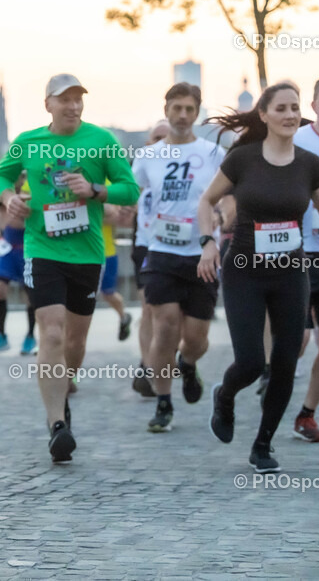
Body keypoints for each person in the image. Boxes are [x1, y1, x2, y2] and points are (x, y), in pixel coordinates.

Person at [0, 73, 139, 463]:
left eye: (78, 99)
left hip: (87, 254)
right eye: (65, 99)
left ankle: (64, 388)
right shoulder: (28, 142)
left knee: (74, 343)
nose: (73, 106)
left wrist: (95, 191)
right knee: (52, 333)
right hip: (42, 249)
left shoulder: (102, 140)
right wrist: (9, 198)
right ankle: (57, 423)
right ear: (48, 105)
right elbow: (1, 174)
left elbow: (129, 188)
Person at [199, 82, 319, 473]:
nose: (290, 115)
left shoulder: (310, 164)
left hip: (291, 274)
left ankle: (263, 444)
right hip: (245, 272)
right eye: (281, 108)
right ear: (264, 115)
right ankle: (224, 396)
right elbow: (206, 201)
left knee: (285, 363)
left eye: (294, 108)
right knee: (252, 361)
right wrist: (208, 243)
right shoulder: (243, 159)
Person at [133, 83, 225, 432]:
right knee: (165, 325)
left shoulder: (213, 154)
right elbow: (132, 192)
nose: (183, 115)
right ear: (166, 110)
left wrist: (223, 217)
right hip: (161, 252)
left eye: (189, 109)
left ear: (197, 112)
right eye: (177, 108)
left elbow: (230, 197)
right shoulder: (148, 157)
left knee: (197, 338)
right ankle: (163, 402)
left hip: (202, 255)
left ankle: (187, 363)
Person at [292, 74, 319, 442]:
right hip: (300, 254)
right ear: (314, 105)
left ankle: (307, 414)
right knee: (298, 339)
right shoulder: (299, 142)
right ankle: (271, 381)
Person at [131, 120, 170, 397]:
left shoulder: (190, 166)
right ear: (148, 143)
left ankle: (170, 358)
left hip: (179, 248)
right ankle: (147, 367)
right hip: (146, 246)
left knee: (171, 315)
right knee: (148, 308)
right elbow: (127, 192)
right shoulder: (143, 164)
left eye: (167, 138)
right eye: (157, 138)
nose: (162, 143)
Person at [0, 177, 37, 355]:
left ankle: (30, 336)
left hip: (26, 248)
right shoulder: (2, 196)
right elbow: (0, 218)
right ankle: (1, 335)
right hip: (8, 249)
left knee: (29, 294)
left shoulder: (30, 194)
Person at [99, 214, 133, 340]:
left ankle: (124, 317)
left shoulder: (106, 204)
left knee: (108, 293)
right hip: (83, 255)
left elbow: (117, 218)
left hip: (107, 254)